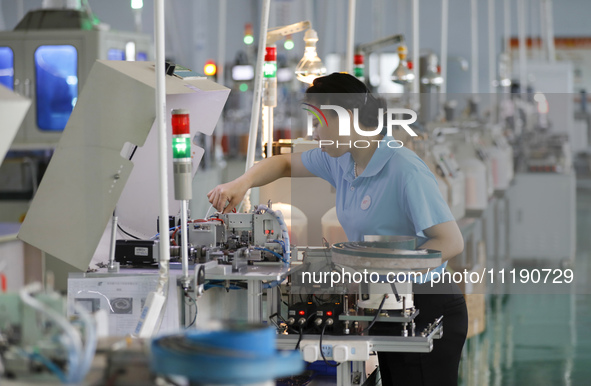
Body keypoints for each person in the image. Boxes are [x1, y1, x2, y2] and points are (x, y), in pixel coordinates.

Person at [208, 73, 468, 386]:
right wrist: (241, 183)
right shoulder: (343, 160)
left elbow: (451, 241)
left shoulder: (404, 169)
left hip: (427, 302)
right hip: (385, 305)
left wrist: (387, 265)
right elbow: (284, 164)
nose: (314, 133)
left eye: (318, 123)